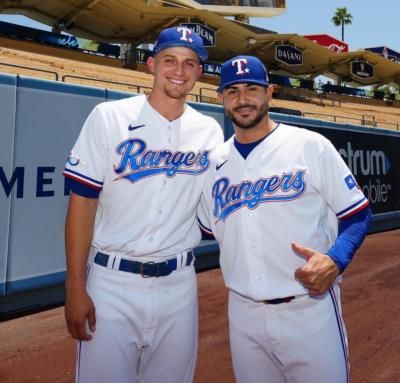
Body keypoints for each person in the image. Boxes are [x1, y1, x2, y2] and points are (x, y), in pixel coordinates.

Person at [63, 26, 223, 383]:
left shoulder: (209, 131)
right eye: (169, 60)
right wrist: (75, 288)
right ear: (151, 64)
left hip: (179, 285)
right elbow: (82, 204)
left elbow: (218, 211)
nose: (178, 71)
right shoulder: (109, 117)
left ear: (199, 73)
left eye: (189, 63)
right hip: (111, 282)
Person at [198, 55, 372, 383]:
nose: (242, 98)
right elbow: (208, 230)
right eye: (232, 91)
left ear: (270, 92)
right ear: (220, 98)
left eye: (252, 88)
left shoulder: (310, 146)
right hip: (243, 314)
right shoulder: (213, 164)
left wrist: (336, 259)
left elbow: (358, 213)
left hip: (309, 308)